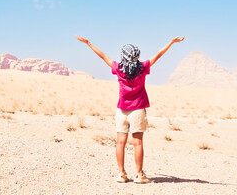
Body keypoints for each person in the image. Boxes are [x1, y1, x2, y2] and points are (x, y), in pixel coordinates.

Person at [76, 35, 185, 183]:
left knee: (120, 142)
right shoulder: (143, 68)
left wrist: (88, 43)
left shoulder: (118, 68)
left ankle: (122, 174)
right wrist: (171, 42)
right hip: (138, 110)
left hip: (121, 111)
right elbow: (158, 55)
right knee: (138, 143)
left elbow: (103, 56)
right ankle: (139, 175)